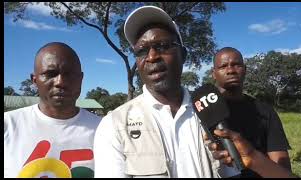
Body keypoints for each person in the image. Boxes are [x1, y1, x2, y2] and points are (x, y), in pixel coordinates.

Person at [94, 6, 238, 178]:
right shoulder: (114, 125)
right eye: (141, 51)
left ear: (183, 55)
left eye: (162, 46)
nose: (152, 56)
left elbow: (232, 172)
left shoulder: (211, 112)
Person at [4, 42, 102, 178]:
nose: (60, 82)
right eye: (50, 74)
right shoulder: (8, 125)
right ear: (34, 80)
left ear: (81, 79)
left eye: (69, 74)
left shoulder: (104, 128)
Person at [209, 47, 293, 177]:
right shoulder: (202, 110)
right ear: (214, 73)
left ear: (245, 70)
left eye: (236, 65)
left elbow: (282, 168)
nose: (231, 70)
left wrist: (253, 157)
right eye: (223, 66)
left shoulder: (266, 111)